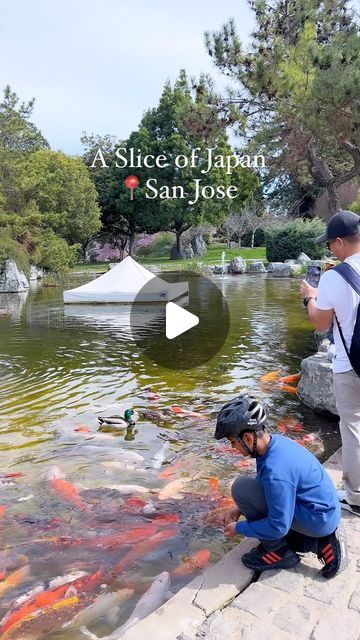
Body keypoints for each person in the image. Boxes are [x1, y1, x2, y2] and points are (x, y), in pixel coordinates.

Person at [214, 393, 346, 578]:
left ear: (248, 439)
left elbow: (278, 526)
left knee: (241, 488)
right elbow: (267, 486)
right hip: (324, 511)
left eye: (233, 442)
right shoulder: (274, 444)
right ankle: (316, 542)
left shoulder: (276, 471)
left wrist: (239, 528)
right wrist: (238, 510)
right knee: (246, 490)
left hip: (319, 520)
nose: (232, 448)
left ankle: (278, 553)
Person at [300, 210, 360, 516]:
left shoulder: (334, 277)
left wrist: (311, 297)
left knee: (353, 429)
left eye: (329, 244)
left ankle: (356, 497)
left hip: (352, 366)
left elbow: (321, 324)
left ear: (339, 242)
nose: (329, 250)